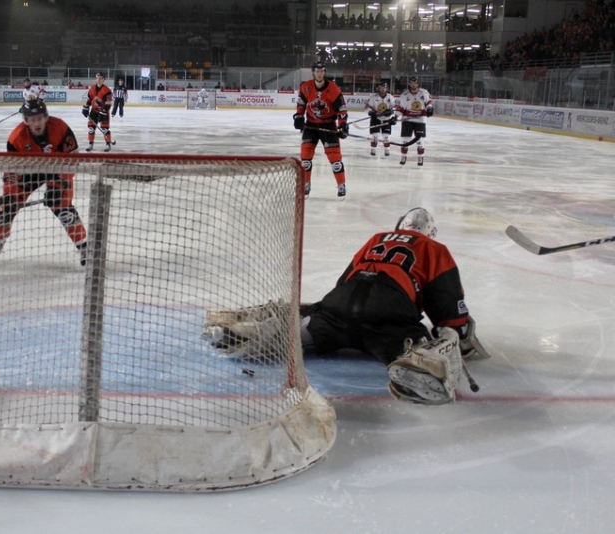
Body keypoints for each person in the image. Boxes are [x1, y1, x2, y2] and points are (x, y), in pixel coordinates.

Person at [204, 208, 489, 405]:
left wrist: (322, 311)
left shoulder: (376, 239)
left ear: (399, 225)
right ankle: (419, 365)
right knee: (422, 342)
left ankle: (262, 333)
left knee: (313, 327)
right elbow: (447, 303)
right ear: (431, 231)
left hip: (340, 307)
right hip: (389, 315)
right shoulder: (434, 248)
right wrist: (459, 332)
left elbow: (346, 280)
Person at [0, 100, 88, 267]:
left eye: (39, 118)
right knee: (6, 208)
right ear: (26, 120)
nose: (36, 123)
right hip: (28, 173)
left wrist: (58, 186)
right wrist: (9, 195)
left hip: (56, 169)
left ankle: (84, 248)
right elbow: (11, 171)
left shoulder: (60, 128)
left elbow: (72, 160)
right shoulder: (16, 138)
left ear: (45, 117)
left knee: (62, 206)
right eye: (31, 119)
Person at [293, 61, 349, 199]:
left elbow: (341, 109)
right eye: (317, 71)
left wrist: (342, 125)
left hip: (328, 125)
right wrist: (299, 116)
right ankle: (306, 184)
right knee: (305, 158)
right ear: (313, 72)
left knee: (335, 159)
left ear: (324, 72)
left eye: (322, 71)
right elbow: (301, 103)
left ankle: (341, 185)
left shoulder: (334, 89)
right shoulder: (306, 87)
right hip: (311, 125)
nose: (319, 73)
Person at [395, 76, 433, 166]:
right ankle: (403, 156)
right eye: (411, 83)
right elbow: (401, 109)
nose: (413, 85)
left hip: (420, 120)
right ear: (409, 84)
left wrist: (430, 109)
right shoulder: (404, 95)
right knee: (405, 140)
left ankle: (420, 158)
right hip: (407, 120)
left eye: (415, 83)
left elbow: (429, 103)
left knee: (420, 141)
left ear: (418, 83)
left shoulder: (424, 93)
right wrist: (395, 117)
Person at [82, 72, 113, 152]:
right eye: (97, 78)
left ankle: (108, 144)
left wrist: (103, 113)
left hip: (104, 111)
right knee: (91, 128)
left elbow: (108, 104)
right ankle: (90, 144)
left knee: (104, 129)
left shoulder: (107, 90)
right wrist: (86, 107)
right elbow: (89, 99)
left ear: (103, 80)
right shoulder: (92, 88)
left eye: (100, 78)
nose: (98, 80)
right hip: (94, 111)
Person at [364, 83, 397, 157]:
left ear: (386, 88)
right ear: (378, 88)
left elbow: (395, 107)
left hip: (386, 119)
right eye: (381, 88)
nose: (382, 89)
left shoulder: (390, 97)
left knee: (386, 137)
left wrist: (391, 113)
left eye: (384, 88)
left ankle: (387, 150)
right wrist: (371, 112)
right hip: (376, 119)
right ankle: (373, 149)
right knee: (375, 136)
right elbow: (367, 107)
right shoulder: (373, 97)